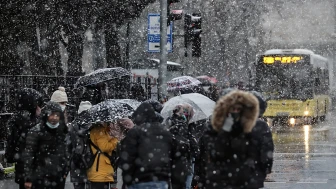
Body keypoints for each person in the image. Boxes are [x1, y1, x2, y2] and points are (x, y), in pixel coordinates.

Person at [195, 90, 262, 189]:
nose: (234, 112)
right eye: (232, 109)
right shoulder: (212, 131)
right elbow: (203, 156)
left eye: (238, 109)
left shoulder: (249, 132)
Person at [120, 102, 174, 189]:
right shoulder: (165, 133)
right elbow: (172, 157)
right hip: (161, 180)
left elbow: (127, 159)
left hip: (139, 179)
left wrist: (127, 180)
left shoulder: (135, 133)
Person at [23, 101, 69, 189]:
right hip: (40, 176)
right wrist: (28, 178)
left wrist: (65, 171)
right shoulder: (36, 131)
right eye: (52, 114)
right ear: (46, 115)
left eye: (57, 115)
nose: (54, 118)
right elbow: (29, 155)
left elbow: (66, 152)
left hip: (58, 176)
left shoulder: (62, 131)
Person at [5, 88, 43, 189]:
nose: (39, 108)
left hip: (24, 167)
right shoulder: (31, 122)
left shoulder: (17, 119)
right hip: (31, 168)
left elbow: (11, 148)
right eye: (37, 104)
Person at [167, 104, 199, 189]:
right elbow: (193, 144)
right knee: (187, 179)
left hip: (176, 159)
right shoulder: (186, 125)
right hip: (185, 158)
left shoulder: (171, 123)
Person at [249, 91, 274, 187]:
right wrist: (266, 169)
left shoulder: (228, 123)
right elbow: (267, 149)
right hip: (253, 174)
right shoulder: (261, 126)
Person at [87, 121, 119, 189]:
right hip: (99, 171)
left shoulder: (102, 130)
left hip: (102, 170)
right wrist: (116, 139)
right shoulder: (99, 130)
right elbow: (105, 147)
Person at [68, 101, 92, 189]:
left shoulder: (72, 127)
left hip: (76, 163)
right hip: (92, 163)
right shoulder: (95, 127)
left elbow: (68, 147)